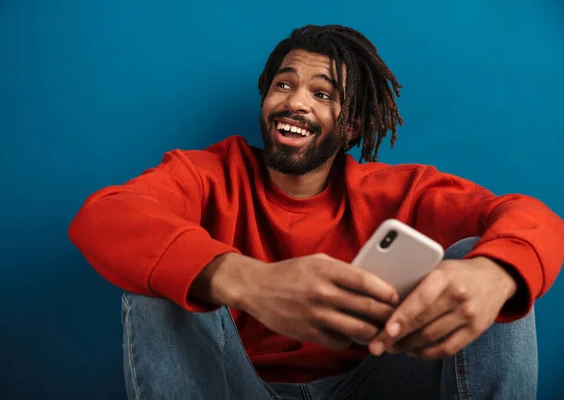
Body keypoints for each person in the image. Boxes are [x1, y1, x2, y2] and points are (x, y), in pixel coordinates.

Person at [68, 24, 564, 399]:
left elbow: (533, 219)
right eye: (284, 86)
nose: (295, 103)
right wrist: (249, 281)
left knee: (496, 260)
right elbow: (107, 215)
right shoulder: (205, 174)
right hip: (239, 385)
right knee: (158, 280)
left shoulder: (403, 190)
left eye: (323, 94)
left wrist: (494, 276)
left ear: (353, 126)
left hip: (375, 380)